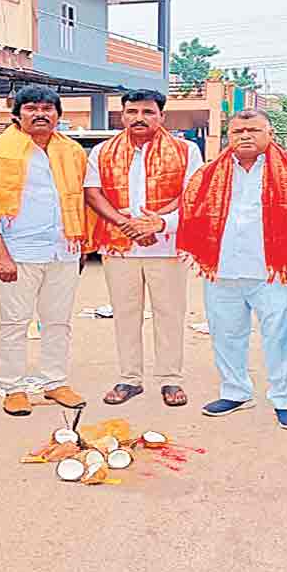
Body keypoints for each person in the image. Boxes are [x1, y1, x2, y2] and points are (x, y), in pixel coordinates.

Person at [177, 109, 287, 430]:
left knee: (280, 337)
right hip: (221, 270)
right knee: (226, 335)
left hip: (273, 271)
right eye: (237, 132)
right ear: (229, 137)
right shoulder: (207, 174)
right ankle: (235, 392)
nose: (245, 136)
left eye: (253, 130)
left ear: (269, 134)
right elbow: (189, 212)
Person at [0, 85, 89, 416]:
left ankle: (55, 382)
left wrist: (81, 245)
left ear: (58, 115)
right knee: (14, 322)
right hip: (19, 252)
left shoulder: (73, 152)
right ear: (17, 115)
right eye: (32, 108)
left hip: (63, 250)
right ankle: (13, 387)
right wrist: (0, 254)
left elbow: (82, 198)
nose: (40, 114)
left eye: (48, 108)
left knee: (58, 322)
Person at [83, 89, 204, 408]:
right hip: (119, 247)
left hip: (167, 246)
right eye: (132, 111)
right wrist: (128, 226)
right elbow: (93, 194)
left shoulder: (186, 150)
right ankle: (129, 379)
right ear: (121, 116)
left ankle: (170, 379)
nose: (139, 118)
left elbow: (192, 194)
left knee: (170, 314)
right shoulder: (102, 152)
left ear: (161, 116)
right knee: (125, 315)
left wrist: (157, 223)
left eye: (148, 112)